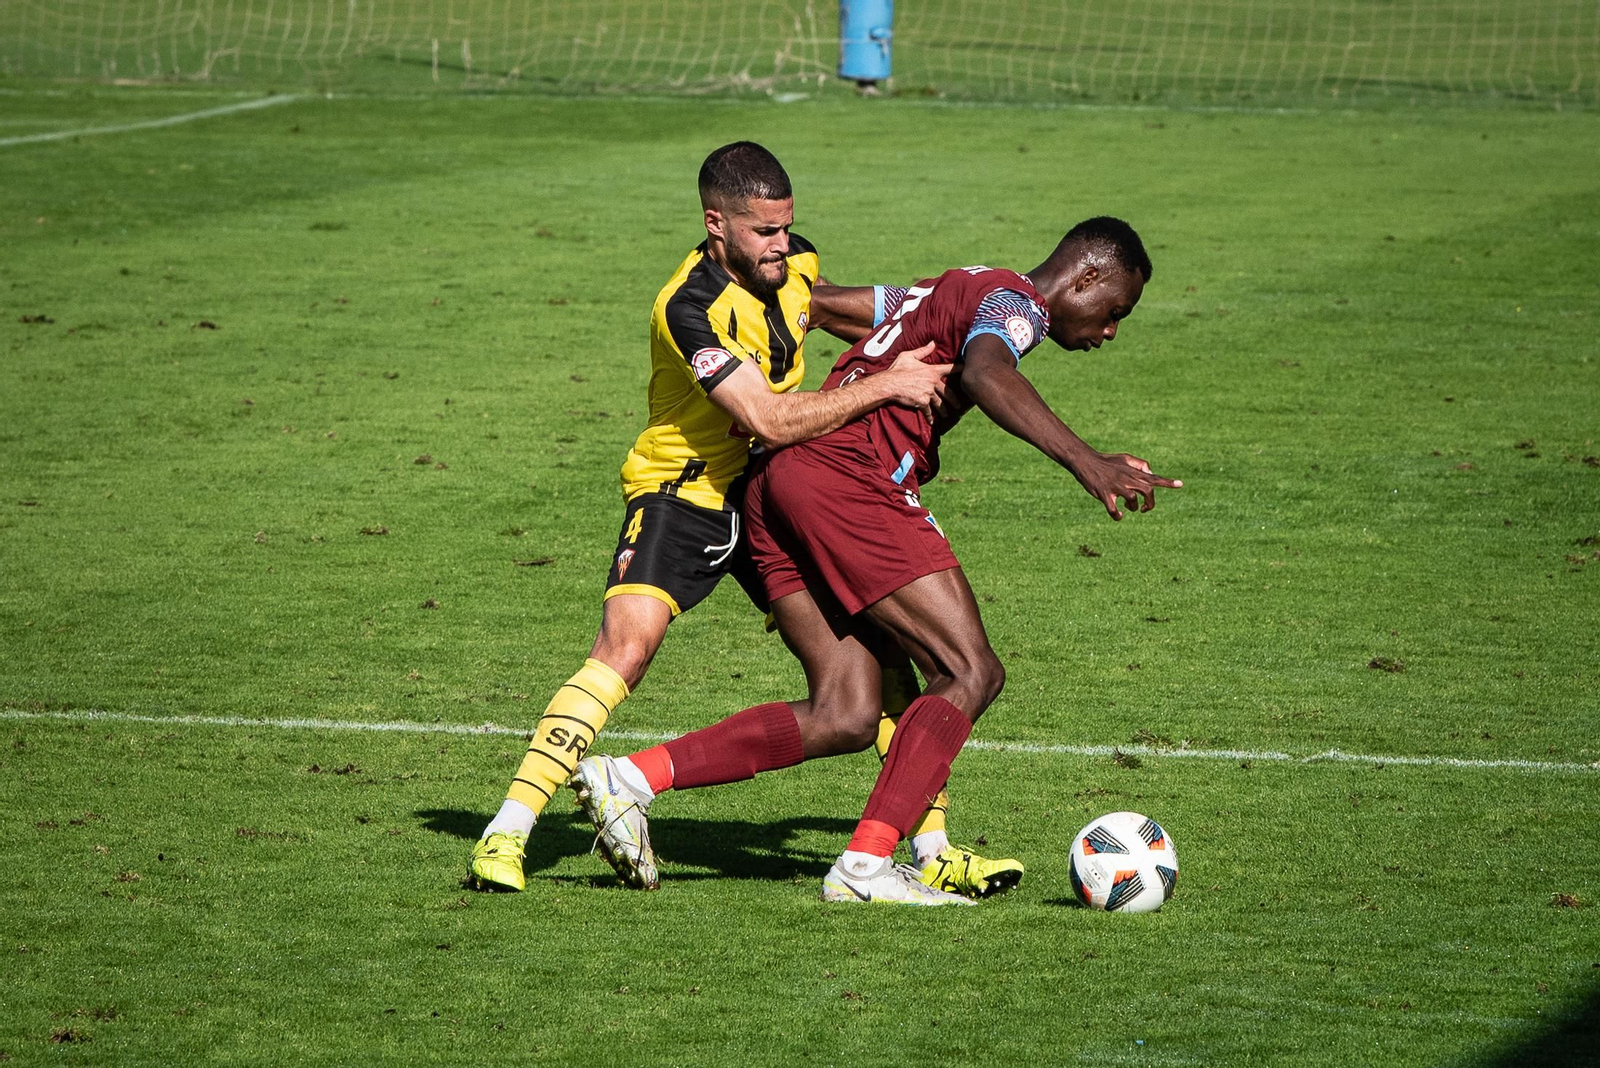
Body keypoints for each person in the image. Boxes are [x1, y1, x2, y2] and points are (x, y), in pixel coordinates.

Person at [468, 141, 1022, 896]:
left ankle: (931, 852)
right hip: (686, 493)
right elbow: (767, 417)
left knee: (881, 671)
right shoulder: (687, 308)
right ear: (716, 225)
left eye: (787, 226)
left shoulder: (793, 267)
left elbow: (864, 306)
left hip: (771, 498)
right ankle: (507, 833)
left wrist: (972, 300)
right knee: (624, 650)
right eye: (763, 231)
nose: (781, 244)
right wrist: (886, 386)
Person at [574, 216, 1182, 904]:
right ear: (1088, 276)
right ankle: (866, 866)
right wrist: (1087, 461)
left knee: (847, 711)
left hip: (775, 482)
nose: (1109, 331)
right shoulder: (1017, 306)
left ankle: (628, 779)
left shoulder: (949, 288)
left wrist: (769, 289)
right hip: (846, 477)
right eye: (1114, 312)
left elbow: (827, 303)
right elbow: (985, 370)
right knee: (970, 669)